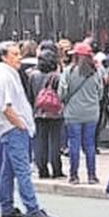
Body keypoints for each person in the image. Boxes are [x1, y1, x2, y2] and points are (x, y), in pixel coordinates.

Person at [0, 41, 56, 217]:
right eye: (15, 54)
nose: (19, 57)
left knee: (8, 171)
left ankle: (7, 208)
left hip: (11, 128)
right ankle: (32, 209)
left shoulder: (8, 74)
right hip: (13, 129)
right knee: (23, 170)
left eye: (19, 53)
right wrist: (21, 125)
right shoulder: (4, 77)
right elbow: (6, 107)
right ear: (4, 56)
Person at [60, 42, 104, 185]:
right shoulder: (96, 72)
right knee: (90, 144)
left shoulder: (69, 71)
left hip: (73, 113)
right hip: (92, 113)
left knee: (74, 144)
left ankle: (74, 176)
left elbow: (62, 93)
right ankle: (92, 175)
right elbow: (100, 93)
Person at [29, 48, 65, 179]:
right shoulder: (58, 76)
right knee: (55, 140)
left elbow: (30, 95)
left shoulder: (33, 75)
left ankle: (42, 169)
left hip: (39, 111)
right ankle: (56, 169)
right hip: (55, 112)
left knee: (40, 140)